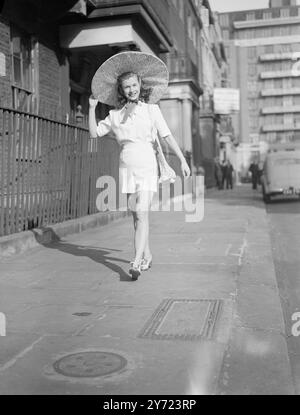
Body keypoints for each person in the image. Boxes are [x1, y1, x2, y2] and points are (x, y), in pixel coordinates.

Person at [89, 51, 191, 281]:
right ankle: (147, 254)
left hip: (146, 167)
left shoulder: (151, 110)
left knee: (142, 213)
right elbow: (94, 134)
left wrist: (182, 160)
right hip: (126, 168)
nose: (132, 90)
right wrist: (91, 108)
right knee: (135, 216)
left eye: (134, 85)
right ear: (122, 90)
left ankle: (135, 263)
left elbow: (167, 136)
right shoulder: (115, 116)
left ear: (140, 84)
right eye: (127, 87)